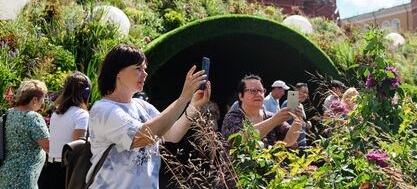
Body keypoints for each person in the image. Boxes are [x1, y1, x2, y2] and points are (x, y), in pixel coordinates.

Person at [87, 44, 211, 188]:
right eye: (138, 68)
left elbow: (173, 134)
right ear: (118, 72)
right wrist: (183, 98)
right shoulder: (103, 110)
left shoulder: (142, 105)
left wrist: (193, 106)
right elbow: (144, 137)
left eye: (144, 69)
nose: (145, 74)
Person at [40, 72, 91, 189]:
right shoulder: (82, 115)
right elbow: (77, 148)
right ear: (86, 92)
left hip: (51, 168)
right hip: (66, 170)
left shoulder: (56, 114)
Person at [221, 75, 302, 147]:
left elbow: (288, 141)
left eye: (261, 91)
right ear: (241, 96)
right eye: (253, 91)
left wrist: (297, 122)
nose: (259, 94)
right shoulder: (232, 117)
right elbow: (238, 140)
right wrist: (274, 121)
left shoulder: (270, 116)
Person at [0, 80, 49, 189]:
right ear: (35, 100)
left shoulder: (9, 113)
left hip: (6, 175)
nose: (43, 102)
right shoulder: (33, 117)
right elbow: (48, 146)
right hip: (24, 179)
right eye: (43, 99)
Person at [281, 82, 311, 150]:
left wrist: (306, 124)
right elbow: (282, 122)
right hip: (292, 144)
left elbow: (298, 121)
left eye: (307, 93)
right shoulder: (288, 103)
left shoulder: (301, 105)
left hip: (302, 143)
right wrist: (292, 141)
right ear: (296, 91)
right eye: (303, 92)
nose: (305, 95)